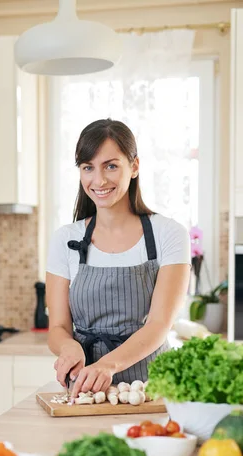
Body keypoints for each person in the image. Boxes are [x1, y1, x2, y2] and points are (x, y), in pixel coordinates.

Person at [46, 118, 191, 399]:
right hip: (85, 390)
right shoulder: (65, 239)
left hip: (152, 390)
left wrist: (107, 366)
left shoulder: (169, 234)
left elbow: (159, 325)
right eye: (88, 168)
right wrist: (68, 347)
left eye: (111, 166)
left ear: (134, 166)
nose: (98, 180)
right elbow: (58, 328)